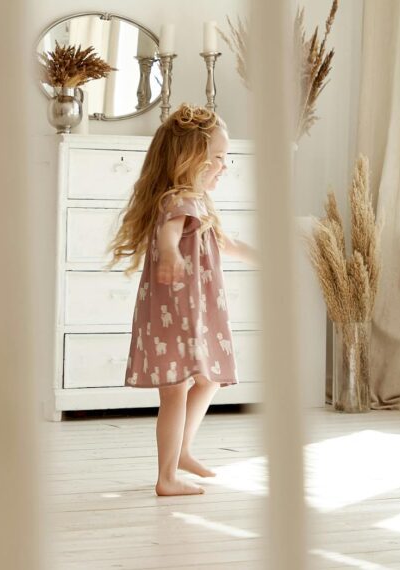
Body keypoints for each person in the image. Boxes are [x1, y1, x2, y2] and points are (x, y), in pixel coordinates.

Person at [110, 104, 257, 496]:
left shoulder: (195, 201)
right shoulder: (180, 201)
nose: (224, 167)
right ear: (191, 159)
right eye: (218, 159)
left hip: (195, 310)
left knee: (209, 378)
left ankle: (184, 452)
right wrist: (171, 253)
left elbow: (223, 243)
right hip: (177, 309)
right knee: (176, 390)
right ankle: (167, 477)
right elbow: (168, 236)